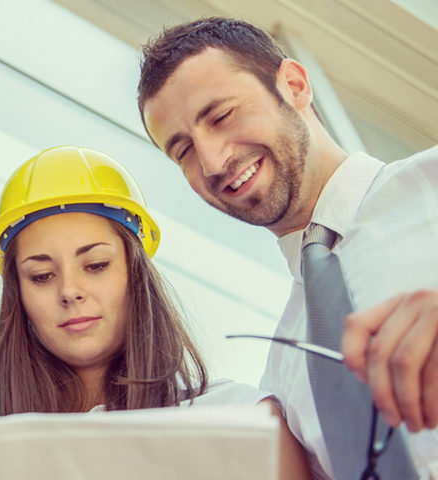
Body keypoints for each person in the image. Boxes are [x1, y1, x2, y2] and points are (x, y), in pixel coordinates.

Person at [137, 16, 438, 478]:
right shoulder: (281, 378)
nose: (214, 161)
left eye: (221, 116)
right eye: (184, 151)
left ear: (295, 86)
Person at [0, 145, 312, 479]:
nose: (69, 291)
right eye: (42, 276)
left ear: (136, 275)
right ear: (18, 298)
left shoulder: (241, 422)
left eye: (95, 265)